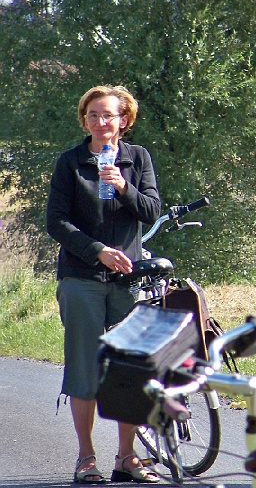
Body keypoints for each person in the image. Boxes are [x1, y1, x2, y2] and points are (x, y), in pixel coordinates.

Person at [46, 85, 162, 484]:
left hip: (127, 281)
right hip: (81, 278)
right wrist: (97, 250)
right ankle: (86, 457)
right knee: (85, 368)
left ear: (123, 120)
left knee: (129, 369)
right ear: (85, 120)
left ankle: (126, 457)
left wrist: (125, 186)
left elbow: (151, 209)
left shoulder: (137, 159)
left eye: (108, 115)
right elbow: (56, 222)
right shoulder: (70, 163)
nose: (100, 122)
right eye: (93, 115)